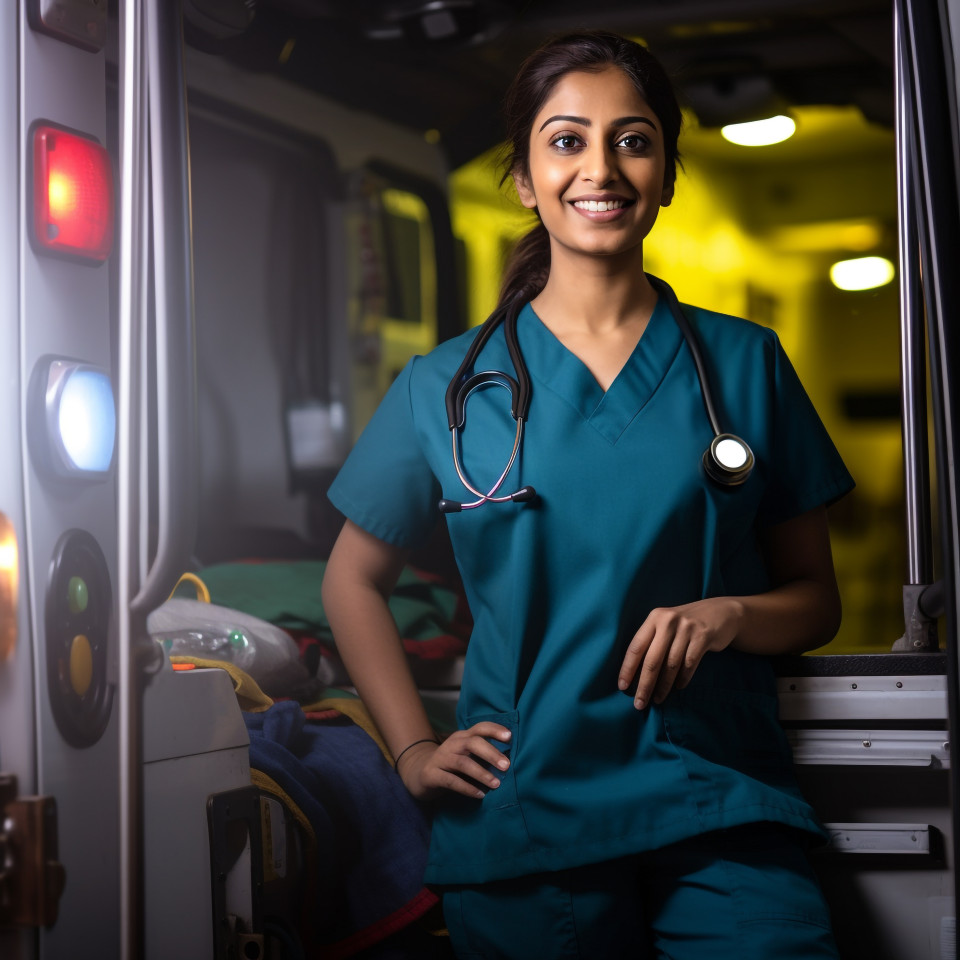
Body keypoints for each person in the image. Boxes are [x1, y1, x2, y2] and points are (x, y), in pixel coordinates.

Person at [322, 31, 853, 960]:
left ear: (667, 172)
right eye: (566, 140)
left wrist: (728, 615)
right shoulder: (446, 387)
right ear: (525, 179)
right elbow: (350, 582)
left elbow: (817, 599)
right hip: (529, 816)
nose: (600, 168)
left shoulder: (743, 364)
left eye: (633, 140)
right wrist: (411, 752)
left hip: (715, 799)